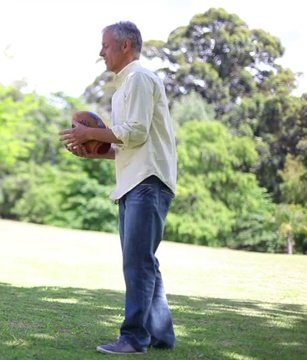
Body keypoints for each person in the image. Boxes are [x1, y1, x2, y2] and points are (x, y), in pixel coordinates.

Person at [59, 21, 178, 355]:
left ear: (126, 46)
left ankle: (134, 338)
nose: (101, 52)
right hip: (135, 181)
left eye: (106, 45)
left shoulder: (139, 78)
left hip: (147, 183)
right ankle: (161, 335)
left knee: (137, 264)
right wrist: (96, 152)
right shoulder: (126, 86)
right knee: (143, 261)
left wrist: (91, 134)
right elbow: (130, 144)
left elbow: (136, 131)